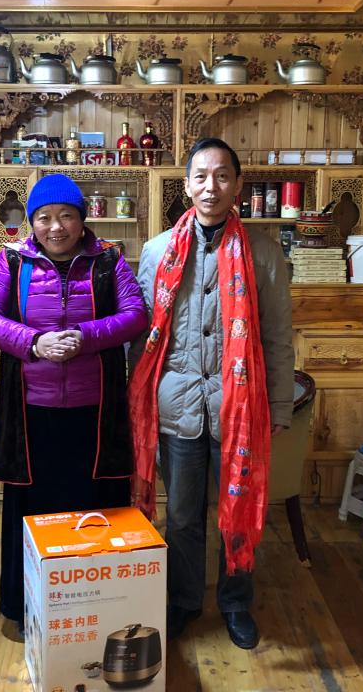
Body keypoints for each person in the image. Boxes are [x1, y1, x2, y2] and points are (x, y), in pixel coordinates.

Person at [129, 137, 294, 650]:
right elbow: (142, 336)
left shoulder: (263, 253)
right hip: (176, 405)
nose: (211, 187)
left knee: (237, 510)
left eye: (222, 176)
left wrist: (280, 405)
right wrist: (136, 402)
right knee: (181, 515)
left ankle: (235, 601)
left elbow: (277, 336)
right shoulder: (157, 251)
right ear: (186, 185)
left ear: (238, 185)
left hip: (238, 407)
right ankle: (183, 600)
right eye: (200, 176)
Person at [0, 173, 148, 634]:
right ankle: (25, 609)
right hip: (33, 413)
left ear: (81, 219)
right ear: (32, 222)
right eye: (45, 217)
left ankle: (99, 611)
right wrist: (35, 342)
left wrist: (84, 338)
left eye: (66, 216)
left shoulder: (108, 260)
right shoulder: (13, 260)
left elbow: (135, 315)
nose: (56, 227)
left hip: (96, 412)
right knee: (34, 509)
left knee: (96, 508)